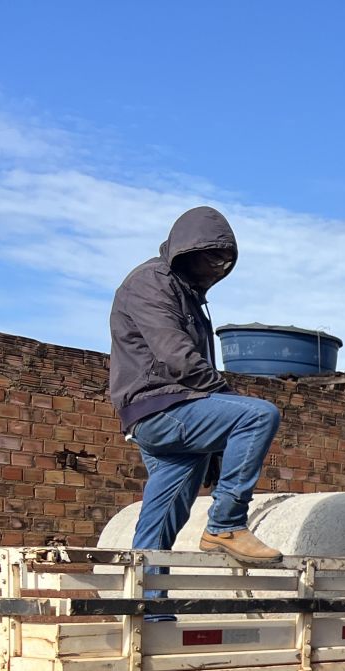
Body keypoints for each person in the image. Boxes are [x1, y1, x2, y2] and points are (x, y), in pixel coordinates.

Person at [110, 206, 284, 568]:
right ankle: (225, 526)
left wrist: (218, 441)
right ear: (188, 250)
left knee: (163, 515)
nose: (217, 268)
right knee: (258, 415)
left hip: (171, 407)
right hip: (161, 407)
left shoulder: (187, 293)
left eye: (224, 262)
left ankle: (146, 603)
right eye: (212, 257)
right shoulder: (152, 282)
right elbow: (178, 357)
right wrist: (228, 401)